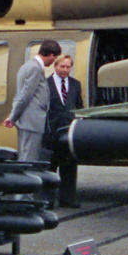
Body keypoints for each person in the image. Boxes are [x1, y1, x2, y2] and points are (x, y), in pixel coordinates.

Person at [4, 39, 61, 161]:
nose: (53, 61)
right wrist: (13, 117)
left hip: (27, 121)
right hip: (32, 122)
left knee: (25, 156)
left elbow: (19, 95)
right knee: (29, 159)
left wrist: (14, 115)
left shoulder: (27, 66)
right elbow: (25, 96)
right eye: (54, 58)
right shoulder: (35, 68)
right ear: (51, 55)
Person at [44, 54, 83, 207]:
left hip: (68, 131)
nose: (65, 70)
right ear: (55, 66)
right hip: (51, 131)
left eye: (68, 67)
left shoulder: (75, 84)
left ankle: (68, 198)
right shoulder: (46, 84)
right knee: (49, 167)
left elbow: (79, 106)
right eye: (62, 66)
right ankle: (47, 199)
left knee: (69, 166)